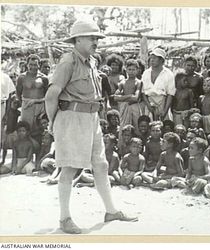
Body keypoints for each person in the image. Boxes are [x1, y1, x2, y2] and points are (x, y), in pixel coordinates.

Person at [45, 19, 137, 234]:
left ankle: (111, 211)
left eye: (97, 37)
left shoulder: (92, 61)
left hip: (91, 118)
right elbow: (51, 96)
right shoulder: (69, 61)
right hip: (71, 117)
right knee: (69, 168)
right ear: (77, 40)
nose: (96, 41)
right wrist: (52, 122)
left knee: (101, 164)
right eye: (91, 37)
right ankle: (64, 219)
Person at [16, 54, 49, 132]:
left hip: (40, 106)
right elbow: (18, 93)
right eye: (31, 64)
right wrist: (24, 104)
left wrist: (37, 101)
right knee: (26, 128)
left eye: (35, 65)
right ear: (27, 65)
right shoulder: (21, 78)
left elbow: (48, 95)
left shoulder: (44, 78)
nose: (33, 67)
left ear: (39, 65)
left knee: (39, 129)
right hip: (26, 106)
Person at [141, 48, 175, 121]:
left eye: (155, 58)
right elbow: (143, 92)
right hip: (149, 104)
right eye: (151, 58)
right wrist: (149, 106)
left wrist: (165, 111)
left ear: (161, 60)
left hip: (162, 103)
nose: (152, 60)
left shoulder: (169, 74)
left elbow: (170, 94)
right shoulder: (146, 73)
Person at [113, 59, 142, 131]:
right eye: (129, 69)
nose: (131, 72)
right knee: (124, 127)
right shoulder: (122, 82)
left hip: (135, 107)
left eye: (133, 69)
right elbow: (116, 97)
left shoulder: (138, 82)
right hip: (124, 107)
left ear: (137, 70)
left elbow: (135, 98)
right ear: (126, 70)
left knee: (136, 127)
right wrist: (129, 96)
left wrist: (122, 98)